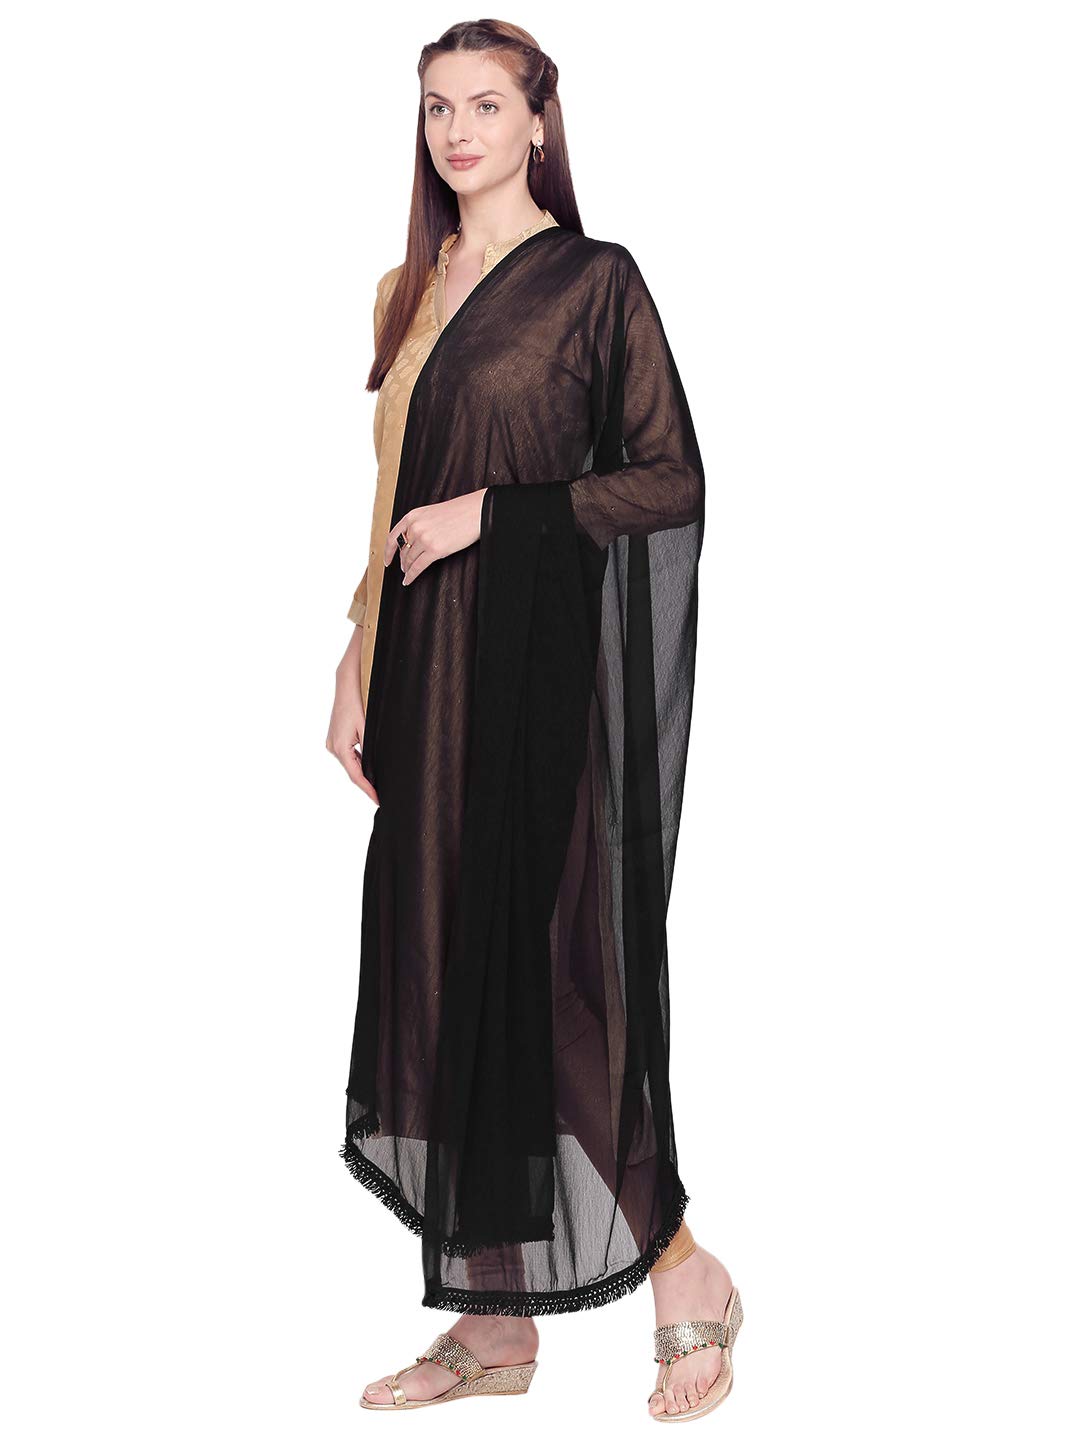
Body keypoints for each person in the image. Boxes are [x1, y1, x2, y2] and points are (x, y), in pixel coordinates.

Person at [325, 20, 743, 1420]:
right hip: (421, 669)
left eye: (486, 106)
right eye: (438, 108)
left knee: (547, 971)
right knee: (447, 968)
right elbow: (391, 505)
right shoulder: (407, 290)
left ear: (539, 124)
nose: (458, 132)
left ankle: (683, 1270)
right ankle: (494, 1323)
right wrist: (353, 656)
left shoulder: (592, 283)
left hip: (532, 674)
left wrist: (496, 518)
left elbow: (670, 478)